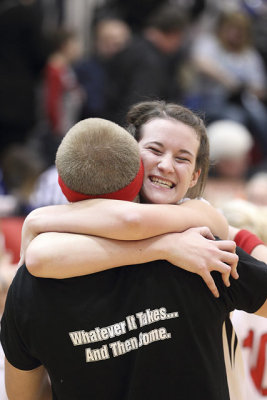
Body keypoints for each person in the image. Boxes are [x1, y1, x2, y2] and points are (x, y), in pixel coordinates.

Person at [6, 104, 266, 399]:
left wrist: (249, 242)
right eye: (155, 150)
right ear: (131, 157)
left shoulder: (202, 237)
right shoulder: (198, 242)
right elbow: (129, 222)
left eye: (182, 158)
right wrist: (164, 247)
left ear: (195, 176)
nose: (167, 165)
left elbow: (22, 394)